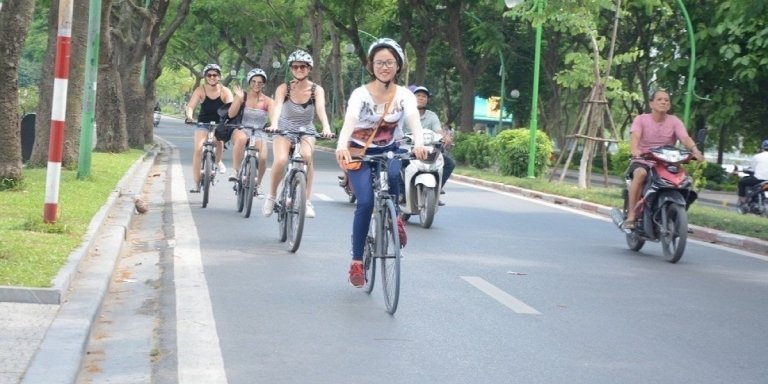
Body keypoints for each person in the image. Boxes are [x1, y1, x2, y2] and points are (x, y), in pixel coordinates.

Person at [335, 38, 428, 288]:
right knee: (365, 202)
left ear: (398, 66)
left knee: (396, 172)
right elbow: (349, 124)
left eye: (389, 62)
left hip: (389, 150)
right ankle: (356, 261)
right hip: (359, 152)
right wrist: (342, 146)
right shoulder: (360, 95)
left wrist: (419, 143)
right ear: (371, 66)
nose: (384, 67)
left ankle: (394, 218)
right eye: (379, 63)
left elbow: (414, 123)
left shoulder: (405, 95)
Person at [262, 50, 334, 218]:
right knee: (280, 160)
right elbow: (278, 107)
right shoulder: (284, 88)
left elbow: (321, 109)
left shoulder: (317, 90)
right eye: (295, 66)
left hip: (306, 130)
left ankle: (307, 201)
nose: (299, 69)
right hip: (284, 128)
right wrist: (273, 124)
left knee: (307, 157)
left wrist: (327, 127)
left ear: (309, 69)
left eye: (303, 66)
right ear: (291, 69)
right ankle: (271, 196)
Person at [623, 89, 704, 229]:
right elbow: (635, 137)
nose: (663, 102)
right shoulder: (641, 119)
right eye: (659, 99)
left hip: (666, 162)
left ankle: (677, 215)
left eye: (666, 100)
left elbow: (685, 138)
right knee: (640, 174)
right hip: (644, 160)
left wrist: (695, 151)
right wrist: (635, 150)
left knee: (685, 181)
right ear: (651, 104)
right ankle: (631, 215)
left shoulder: (674, 121)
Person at [184, 63, 234, 192]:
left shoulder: (225, 91)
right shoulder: (201, 90)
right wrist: (189, 117)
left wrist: (230, 120)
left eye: (215, 75)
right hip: (203, 124)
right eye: (209, 75)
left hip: (220, 124)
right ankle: (196, 183)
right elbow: (191, 106)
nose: (212, 77)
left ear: (219, 76)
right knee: (198, 149)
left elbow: (231, 108)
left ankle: (217, 161)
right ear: (206, 77)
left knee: (219, 142)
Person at [226, 68, 274, 198]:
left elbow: (274, 117)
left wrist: (274, 126)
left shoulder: (268, 101)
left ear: (263, 84)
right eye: (254, 81)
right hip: (242, 128)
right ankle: (235, 171)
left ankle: (257, 185)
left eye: (260, 82)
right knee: (241, 139)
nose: (256, 84)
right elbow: (231, 114)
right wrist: (239, 99)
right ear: (249, 82)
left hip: (259, 132)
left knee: (263, 158)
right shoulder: (242, 96)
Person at [408, 85, 455, 205]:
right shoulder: (405, 114)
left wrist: (446, 137)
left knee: (449, 163)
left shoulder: (432, 115)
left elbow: (438, 131)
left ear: (427, 100)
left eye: (424, 96)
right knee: (397, 165)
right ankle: (402, 193)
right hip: (409, 150)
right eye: (418, 95)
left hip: (429, 151)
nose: (421, 98)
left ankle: (436, 191)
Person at [737, 139, 768, 208]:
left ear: (762, 147)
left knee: (742, 183)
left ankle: (742, 200)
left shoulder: (757, 156)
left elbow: (752, 169)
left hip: (758, 179)